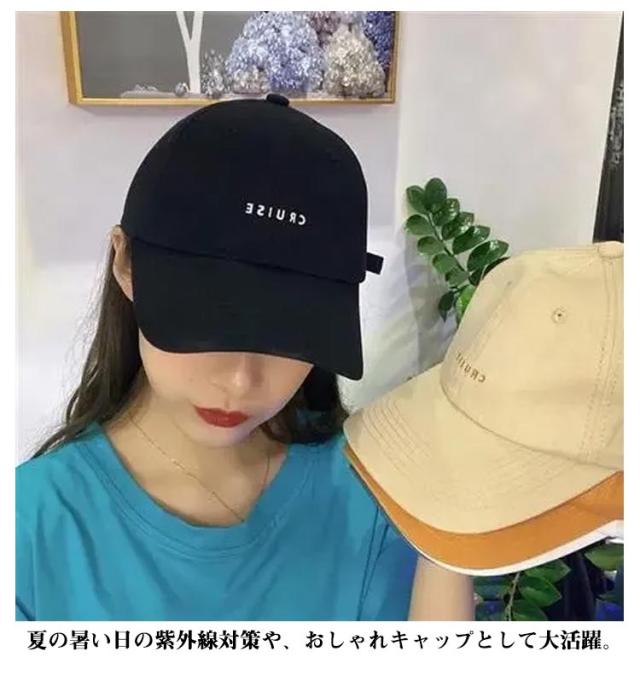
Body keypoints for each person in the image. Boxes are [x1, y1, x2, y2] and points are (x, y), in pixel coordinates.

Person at [16, 95, 474, 621]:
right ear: (125, 263)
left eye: (290, 331)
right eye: (208, 319)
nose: (240, 379)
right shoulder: (29, 529)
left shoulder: (383, 497)